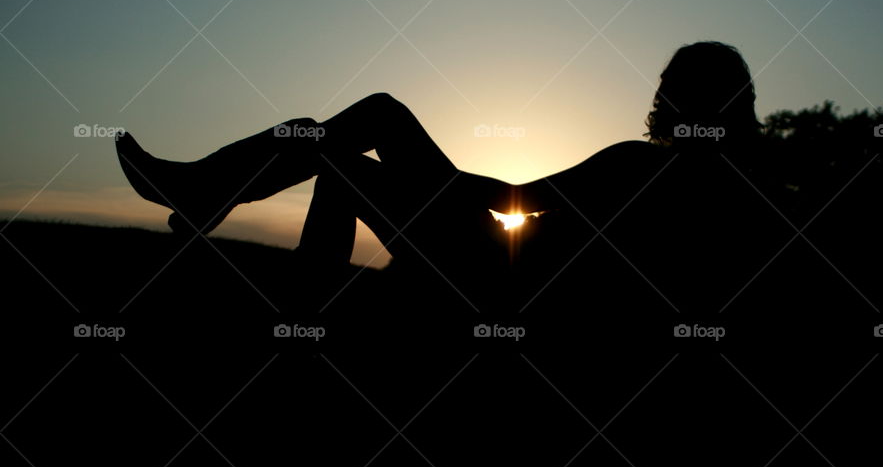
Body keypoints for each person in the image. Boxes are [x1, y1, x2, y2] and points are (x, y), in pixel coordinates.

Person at [116, 41, 773, 309]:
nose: (657, 100)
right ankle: (210, 198)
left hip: (497, 275)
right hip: (505, 264)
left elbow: (521, 198)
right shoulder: (739, 190)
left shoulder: (649, 165)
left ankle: (222, 213)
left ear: (685, 101)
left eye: (668, 90)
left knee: (347, 148)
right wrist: (433, 188)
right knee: (370, 123)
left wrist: (435, 189)